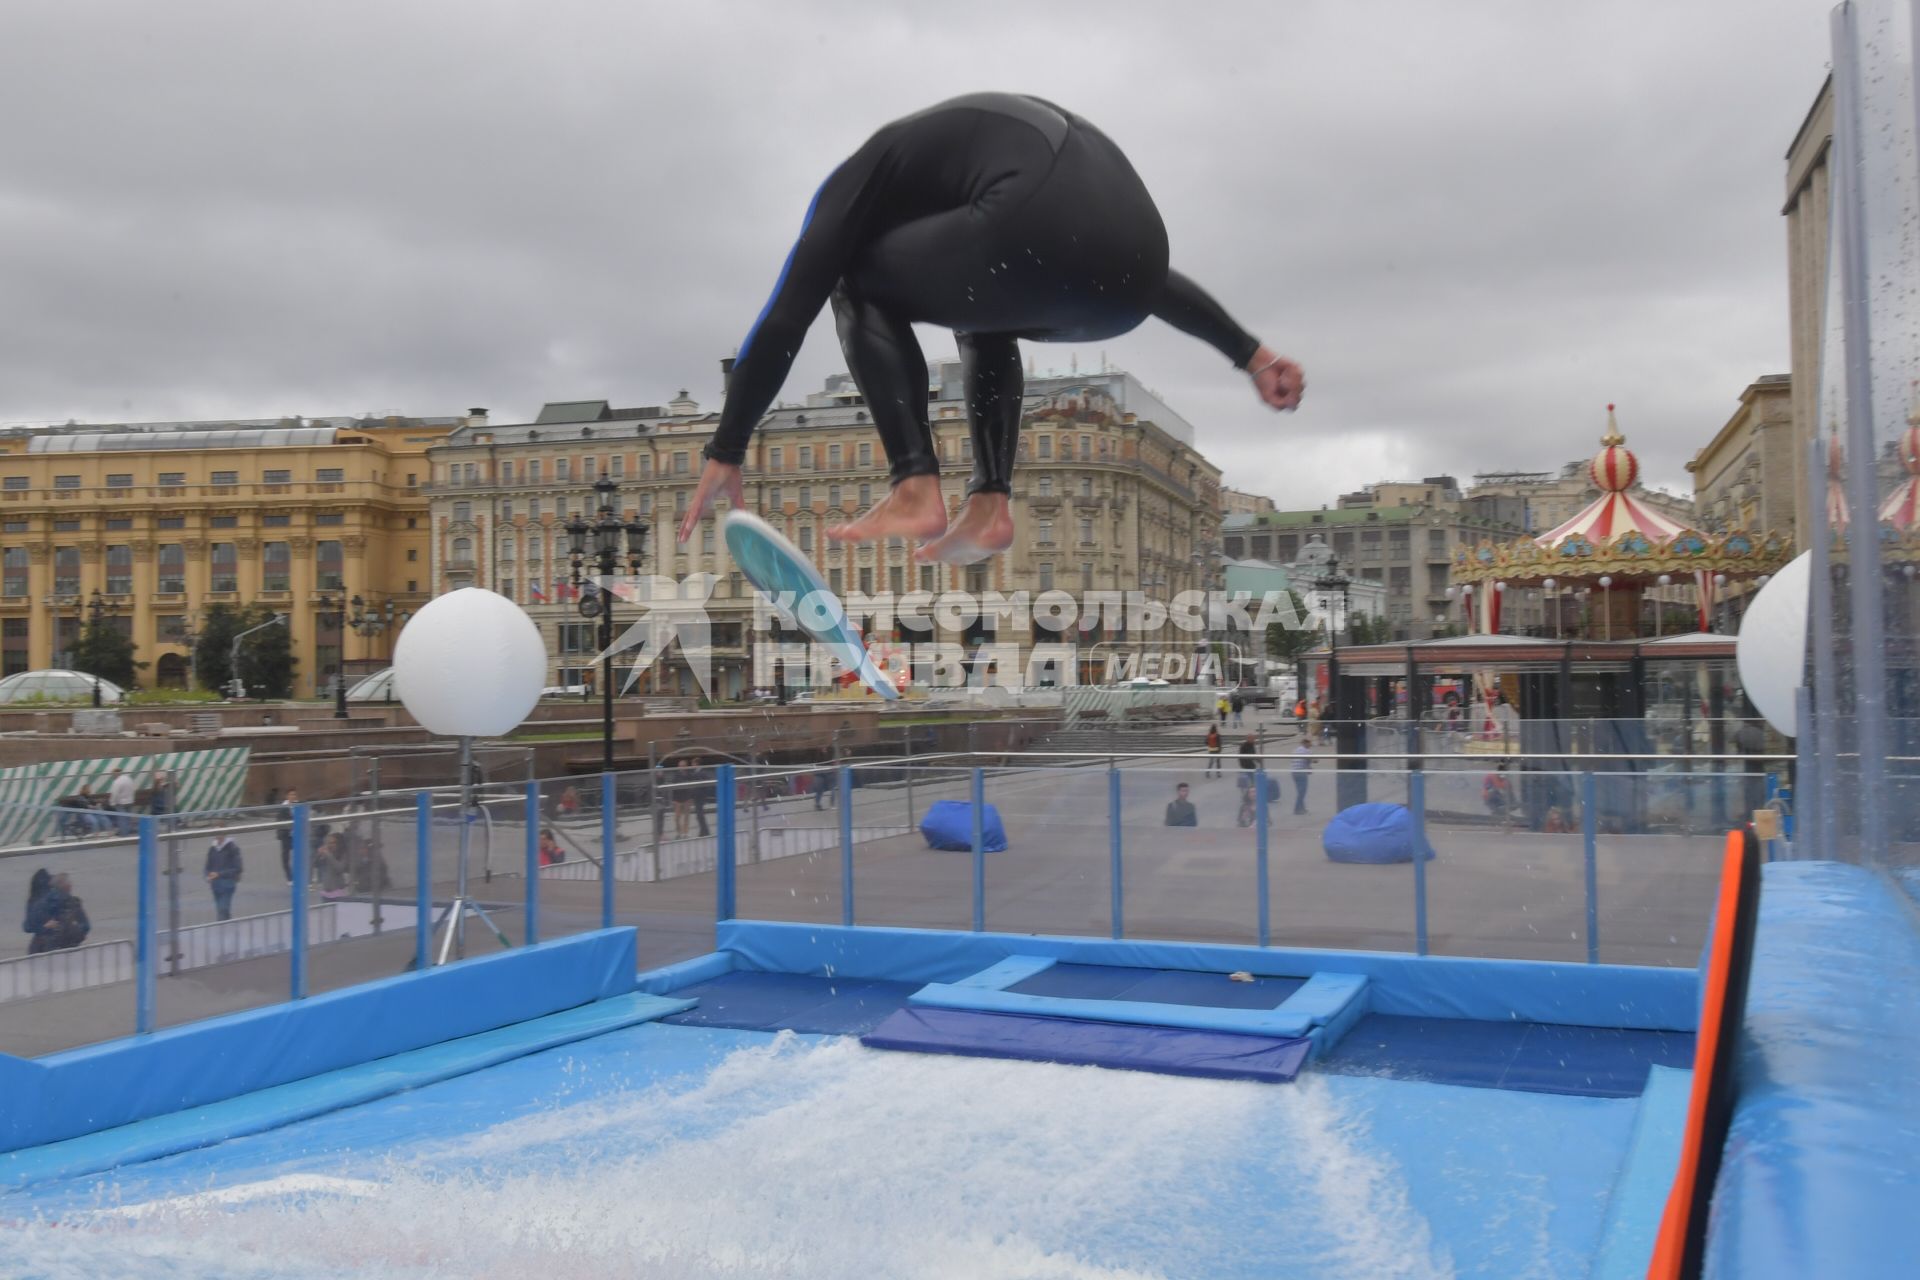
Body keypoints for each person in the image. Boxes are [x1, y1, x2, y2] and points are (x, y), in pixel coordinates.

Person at [679, 92, 1304, 564]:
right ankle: (989, 504)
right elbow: (1135, 269)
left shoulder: (850, 188)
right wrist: (1249, 354)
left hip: (1038, 225)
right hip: (1137, 260)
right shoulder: (957, 171)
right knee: (981, 303)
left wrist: (727, 447)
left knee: (853, 281)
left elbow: (787, 313)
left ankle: (916, 484)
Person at [26, 872, 88, 953]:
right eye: (69, 884)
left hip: (45, 951)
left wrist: (44, 928)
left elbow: (28, 927)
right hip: (62, 950)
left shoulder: (73, 903)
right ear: (67, 887)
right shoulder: (44, 904)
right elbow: (86, 926)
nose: (71, 886)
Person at [204, 832, 242, 921]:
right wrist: (207, 875)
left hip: (228, 884)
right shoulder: (212, 848)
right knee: (222, 911)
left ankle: (223, 928)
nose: (217, 835)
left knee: (222, 910)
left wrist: (219, 874)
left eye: (219, 833)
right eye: (215, 832)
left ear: (224, 834)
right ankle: (228, 928)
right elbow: (208, 866)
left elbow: (238, 868)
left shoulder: (232, 848)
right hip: (216, 885)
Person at [277, 788, 298, 884]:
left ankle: (298, 876)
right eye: (291, 794)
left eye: (294, 794)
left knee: (298, 856)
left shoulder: (298, 805)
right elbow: (279, 822)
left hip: (296, 835)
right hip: (286, 835)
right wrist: (280, 834)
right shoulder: (283, 808)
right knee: (285, 857)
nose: (293, 796)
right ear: (287, 796)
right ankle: (289, 878)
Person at [108, 768, 137, 834]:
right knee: (127, 818)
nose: (112, 776)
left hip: (121, 803)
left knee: (122, 819)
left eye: (112, 774)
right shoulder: (129, 779)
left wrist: (112, 802)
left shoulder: (117, 781)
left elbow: (114, 793)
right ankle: (128, 831)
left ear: (115, 774)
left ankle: (124, 834)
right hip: (130, 801)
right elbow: (134, 789)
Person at [1291, 741, 1312, 815]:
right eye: (1310, 743)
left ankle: (1302, 808)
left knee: (1300, 791)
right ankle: (1297, 809)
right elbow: (1308, 761)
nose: (1311, 745)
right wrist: (1310, 769)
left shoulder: (1296, 750)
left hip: (1294, 772)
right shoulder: (1307, 750)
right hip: (1301, 772)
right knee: (1302, 792)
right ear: (1306, 743)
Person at [1236, 732, 1259, 797]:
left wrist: (1258, 760)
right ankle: (1246, 795)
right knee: (1246, 782)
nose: (1254, 740)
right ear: (1248, 738)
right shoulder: (1243, 746)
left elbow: (1253, 755)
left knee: (1252, 781)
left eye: (1254, 739)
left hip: (1251, 767)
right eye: (1252, 739)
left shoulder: (1252, 745)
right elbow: (1240, 757)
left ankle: (1251, 795)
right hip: (1246, 767)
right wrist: (1243, 766)